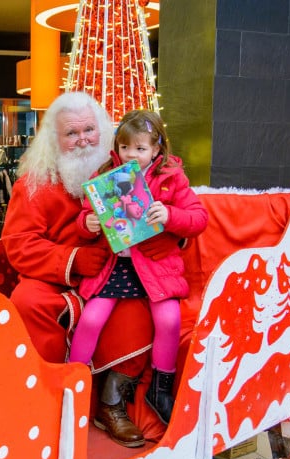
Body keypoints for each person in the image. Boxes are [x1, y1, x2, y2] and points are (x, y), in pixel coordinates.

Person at [1, 92, 176, 447]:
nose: (82, 140)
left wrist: (161, 237)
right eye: (71, 133)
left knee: (141, 311)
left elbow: (171, 215)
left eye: (89, 130)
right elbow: (18, 244)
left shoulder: (127, 173)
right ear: (55, 139)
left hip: (113, 275)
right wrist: (74, 261)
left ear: (104, 131)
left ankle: (110, 403)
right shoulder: (33, 184)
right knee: (27, 300)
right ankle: (45, 398)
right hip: (55, 281)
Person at [68, 109, 208, 427]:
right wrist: (88, 224)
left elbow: (199, 219)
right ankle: (70, 386)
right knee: (91, 319)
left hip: (156, 268)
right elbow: (86, 218)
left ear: (157, 149)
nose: (132, 154)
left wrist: (170, 216)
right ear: (117, 147)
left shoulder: (172, 179)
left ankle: (160, 390)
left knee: (169, 320)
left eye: (141, 148)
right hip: (116, 266)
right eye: (125, 147)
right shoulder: (105, 177)